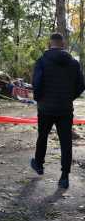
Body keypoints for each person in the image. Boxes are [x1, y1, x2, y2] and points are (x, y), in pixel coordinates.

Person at [31, 33, 85, 189]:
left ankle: (39, 164)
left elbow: (37, 82)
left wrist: (39, 99)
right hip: (65, 109)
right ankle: (64, 177)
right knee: (66, 142)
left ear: (50, 43)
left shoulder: (42, 61)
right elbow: (81, 85)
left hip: (45, 108)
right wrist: (69, 97)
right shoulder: (74, 63)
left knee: (42, 136)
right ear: (63, 44)